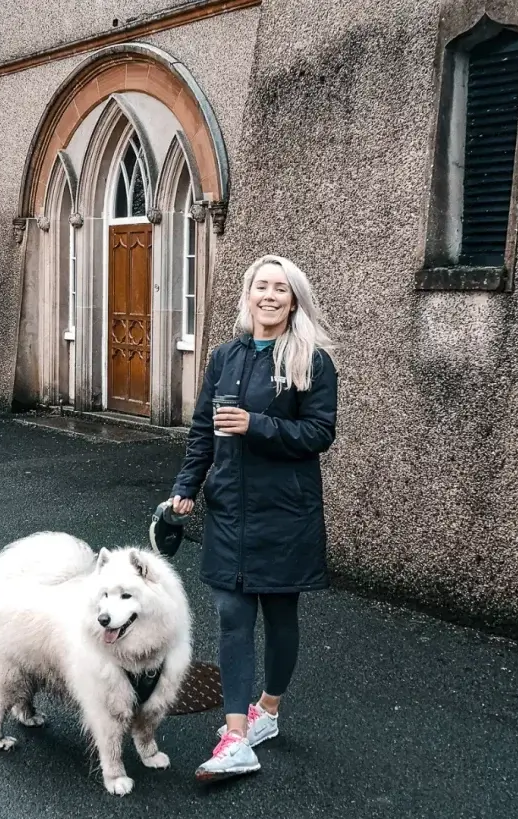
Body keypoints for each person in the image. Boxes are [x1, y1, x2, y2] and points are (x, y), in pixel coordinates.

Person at [169, 254, 338, 782]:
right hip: (229, 510)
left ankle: (269, 709)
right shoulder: (224, 357)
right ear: (247, 295)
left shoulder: (312, 360)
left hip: (284, 512)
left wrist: (256, 424)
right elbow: (203, 430)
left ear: (294, 301)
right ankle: (237, 736)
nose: (269, 295)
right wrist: (185, 488)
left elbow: (318, 434)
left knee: (280, 616)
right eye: (260, 286)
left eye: (280, 289)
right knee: (233, 617)